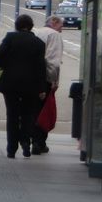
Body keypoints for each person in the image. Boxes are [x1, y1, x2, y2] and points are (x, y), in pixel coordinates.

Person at [0, 13, 47, 158]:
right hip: (31, 85)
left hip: (10, 83)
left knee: (12, 115)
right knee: (28, 115)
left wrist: (3, 66)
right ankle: (25, 143)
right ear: (31, 26)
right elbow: (41, 67)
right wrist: (42, 88)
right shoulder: (39, 43)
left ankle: (11, 149)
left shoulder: (10, 37)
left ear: (17, 25)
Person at [31, 15, 64, 154]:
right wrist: (53, 81)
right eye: (61, 25)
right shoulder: (54, 35)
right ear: (54, 22)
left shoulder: (36, 32)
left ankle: (33, 140)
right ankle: (39, 143)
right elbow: (53, 61)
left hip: (31, 78)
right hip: (45, 79)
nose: (62, 29)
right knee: (43, 111)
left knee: (32, 110)